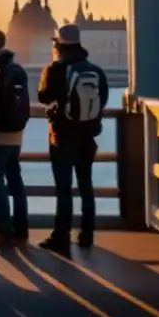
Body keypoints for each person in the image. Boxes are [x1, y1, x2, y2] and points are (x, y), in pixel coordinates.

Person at [37, 23, 108, 255]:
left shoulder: (56, 69)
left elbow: (43, 97)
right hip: (87, 136)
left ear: (58, 45)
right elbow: (103, 100)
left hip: (62, 135)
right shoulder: (96, 70)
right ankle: (87, 235)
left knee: (64, 188)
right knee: (86, 186)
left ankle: (61, 236)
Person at [0, 28, 30, 248]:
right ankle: (21, 230)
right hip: (16, 136)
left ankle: (3, 231)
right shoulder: (17, 68)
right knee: (16, 182)